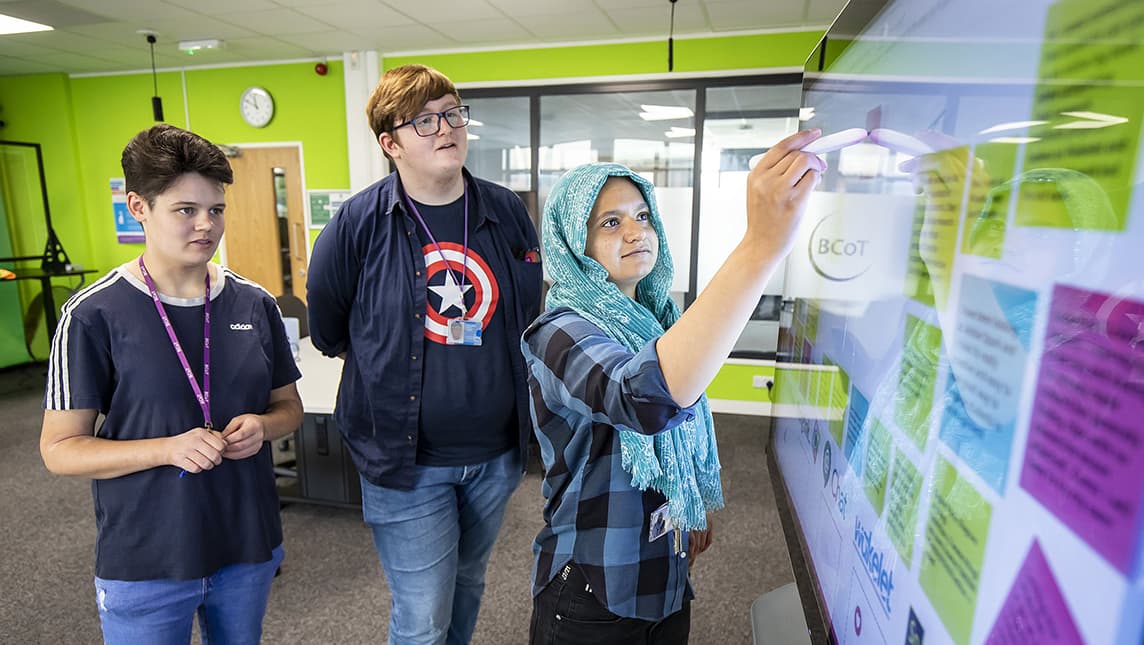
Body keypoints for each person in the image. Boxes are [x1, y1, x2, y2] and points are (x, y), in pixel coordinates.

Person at [522, 129, 826, 644]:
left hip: (663, 574)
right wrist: (760, 246)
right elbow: (641, 399)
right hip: (594, 586)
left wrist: (687, 501)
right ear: (575, 241)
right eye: (610, 223)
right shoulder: (557, 330)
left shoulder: (656, 318)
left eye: (643, 216)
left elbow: (678, 416)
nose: (636, 231)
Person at [306, 64, 543, 645]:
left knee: (467, 584)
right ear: (391, 144)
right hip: (405, 460)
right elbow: (330, 329)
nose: (446, 128)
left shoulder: (506, 211)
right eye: (424, 120)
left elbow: (526, 312)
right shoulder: (357, 223)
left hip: (495, 455)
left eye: (453, 113)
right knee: (422, 615)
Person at [39, 124, 304, 644]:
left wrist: (263, 427)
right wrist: (167, 449)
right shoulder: (93, 313)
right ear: (139, 206)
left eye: (216, 210)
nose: (206, 224)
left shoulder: (254, 304)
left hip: (245, 543)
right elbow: (60, 450)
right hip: (147, 556)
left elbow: (288, 408)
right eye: (186, 210)